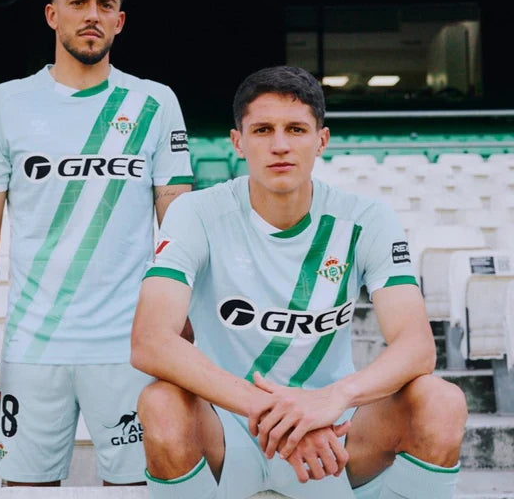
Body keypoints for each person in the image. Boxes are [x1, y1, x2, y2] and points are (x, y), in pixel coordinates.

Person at [130, 65, 467, 499]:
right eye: (262, 130)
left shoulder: (366, 219)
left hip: (334, 438)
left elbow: (417, 346)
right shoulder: (196, 213)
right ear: (238, 142)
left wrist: (333, 399)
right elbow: (150, 340)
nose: (280, 145)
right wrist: (278, 412)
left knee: (442, 402)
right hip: (230, 430)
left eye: (296, 129)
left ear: (321, 140)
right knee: (160, 403)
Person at [0, 0, 193, 487]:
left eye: (105, 4)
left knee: (136, 491)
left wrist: (181, 313)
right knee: (26, 491)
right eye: (79, 1)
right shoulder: (6, 103)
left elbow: (178, 220)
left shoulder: (155, 103)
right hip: (33, 346)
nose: (92, 15)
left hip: (129, 345)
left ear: (120, 20)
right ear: (52, 13)